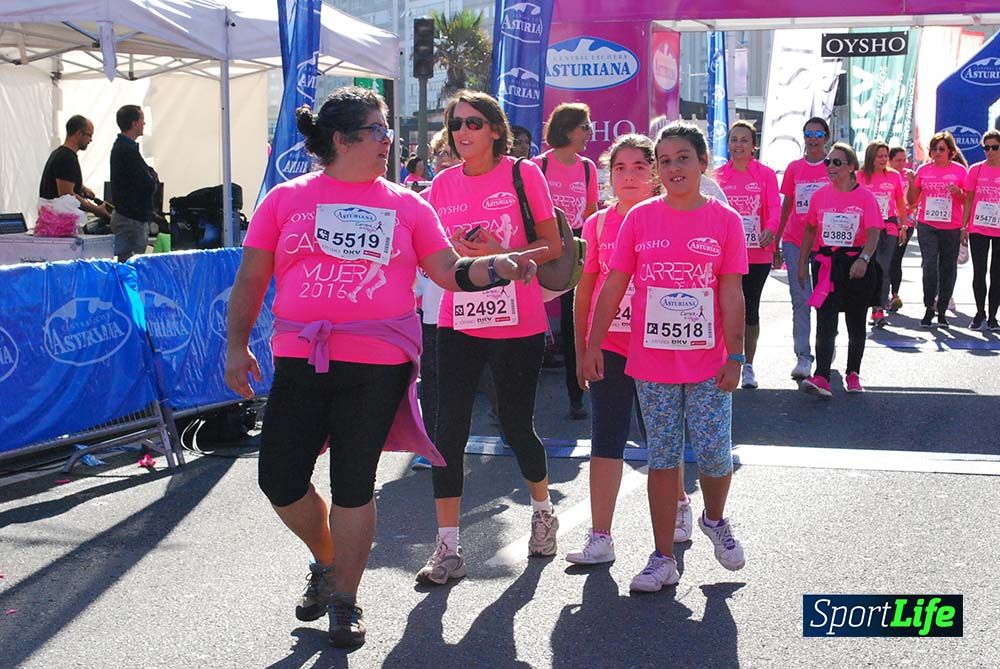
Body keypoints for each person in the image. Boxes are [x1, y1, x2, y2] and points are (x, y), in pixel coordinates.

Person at [223, 87, 542, 648]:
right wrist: (236, 345)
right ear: (343, 140)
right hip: (301, 357)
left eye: (386, 129)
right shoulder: (284, 200)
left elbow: (448, 270)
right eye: (378, 130)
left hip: (378, 362)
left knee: (353, 484)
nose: (388, 140)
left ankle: (345, 599)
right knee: (279, 479)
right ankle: (327, 559)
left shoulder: (407, 204)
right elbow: (252, 279)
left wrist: (496, 267)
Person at [581, 122, 748, 592]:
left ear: (702, 164)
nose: (674, 168)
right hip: (651, 360)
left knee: (715, 456)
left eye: (683, 159)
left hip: (709, 361)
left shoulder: (725, 220)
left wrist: (735, 354)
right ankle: (662, 557)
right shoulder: (640, 219)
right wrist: (592, 346)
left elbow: (732, 292)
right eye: (667, 160)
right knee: (664, 457)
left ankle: (714, 519)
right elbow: (613, 284)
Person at [417, 90, 563, 585]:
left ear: (496, 130)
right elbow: (434, 254)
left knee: (516, 425)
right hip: (458, 320)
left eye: (474, 123)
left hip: (516, 321)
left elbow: (553, 245)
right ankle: (448, 548)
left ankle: (542, 511)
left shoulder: (524, 174)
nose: (463, 132)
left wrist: (503, 253)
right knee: (447, 432)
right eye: (456, 123)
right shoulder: (441, 185)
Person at [566, 134, 656, 565]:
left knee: (660, 438)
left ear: (655, 174)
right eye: (620, 167)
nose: (629, 175)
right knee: (606, 437)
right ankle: (600, 535)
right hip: (612, 345)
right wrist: (586, 346)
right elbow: (584, 291)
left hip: (660, 348)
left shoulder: (667, 217)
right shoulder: (598, 223)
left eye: (639, 166)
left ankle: (675, 507)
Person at [798, 143, 884, 397]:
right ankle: (822, 375)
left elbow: (874, 232)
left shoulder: (865, 197)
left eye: (837, 162)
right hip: (827, 264)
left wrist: (864, 259)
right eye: (828, 162)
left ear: (851, 167)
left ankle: (853, 373)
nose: (830, 167)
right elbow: (811, 229)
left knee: (856, 321)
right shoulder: (820, 195)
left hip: (856, 264)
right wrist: (803, 263)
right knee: (825, 320)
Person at [535, 103, 600, 419]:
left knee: (574, 323)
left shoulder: (587, 168)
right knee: (531, 324)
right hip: (541, 248)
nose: (589, 133)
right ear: (567, 129)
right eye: (585, 126)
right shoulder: (538, 166)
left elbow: (590, 214)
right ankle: (516, 396)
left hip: (574, 250)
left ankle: (576, 397)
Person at [715, 120, 781, 389]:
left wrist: (770, 230)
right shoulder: (719, 175)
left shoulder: (764, 174)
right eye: (734, 140)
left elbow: (774, 207)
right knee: (724, 309)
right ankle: (722, 359)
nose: (738, 145)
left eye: (744, 140)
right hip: (725, 255)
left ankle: (748, 365)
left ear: (753, 145)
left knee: (749, 308)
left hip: (757, 253)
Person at [775, 117, 831, 380]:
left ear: (826, 138)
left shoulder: (833, 166)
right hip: (795, 240)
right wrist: (775, 241)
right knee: (800, 300)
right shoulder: (795, 168)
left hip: (826, 244)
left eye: (818, 133)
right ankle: (803, 355)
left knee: (826, 300)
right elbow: (787, 204)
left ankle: (825, 348)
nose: (813, 138)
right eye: (809, 133)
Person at [908, 130, 969, 328]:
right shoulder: (924, 170)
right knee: (929, 266)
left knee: (948, 267)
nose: (936, 152)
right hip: (927, 225)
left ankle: (942, 309)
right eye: (933, 148)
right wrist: (911, 184)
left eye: (941, 149)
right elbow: (912, 200)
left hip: (951, 226)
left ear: (950, 151)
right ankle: (929, 308)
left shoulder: (960, 171)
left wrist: (958, 192)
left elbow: (967, 200)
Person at [857, 141, 908, 327]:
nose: (883, 159)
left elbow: (900, 202)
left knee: (884, 268)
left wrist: (903, 225)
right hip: (867, 229)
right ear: (871, 156)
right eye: (880, 156)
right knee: (868, 267)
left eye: (886, 156)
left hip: (889, 226)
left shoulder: (894, 176)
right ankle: (864, 305)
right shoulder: (860, 176)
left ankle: (878, 309)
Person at [961, 129, 1000, 330]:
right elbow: (968, 200)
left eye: (995, 147)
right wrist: (964, 226)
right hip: (978, 227)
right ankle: (979, 312)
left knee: (997, 273)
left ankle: (993, 315)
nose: (990, 151)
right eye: (986, 147)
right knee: (979, 271)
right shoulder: (976, 169)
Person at [38, 114, 111, 221]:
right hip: (58, 223)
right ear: (78, 133)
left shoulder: (60, 154)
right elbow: (67, 195)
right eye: (89, 135)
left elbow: (64, 179)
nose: (91, 140)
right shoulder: (66, 158)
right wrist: (96, 209)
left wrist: (81, 187)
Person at [110, 105, 156, 262]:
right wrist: (152, 178)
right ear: (134, 123)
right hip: (132, 219)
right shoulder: (126, 150)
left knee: (128, 263)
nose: (144, 124)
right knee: (132, 265)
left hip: (129, 217)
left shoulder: (124, 148)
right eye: (142, 120)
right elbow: (146, 183)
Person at [887, 147, 917, 312]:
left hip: (906, 223)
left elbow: (914, 201)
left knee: (896, 259)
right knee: (886, 259)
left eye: (904, 159)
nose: (903, 163)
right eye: (899, 160)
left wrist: (912, 183)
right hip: (888, 222)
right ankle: (882, 295)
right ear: (890, 160)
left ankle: (895, 294)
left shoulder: (909, 174)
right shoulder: (885, 174)